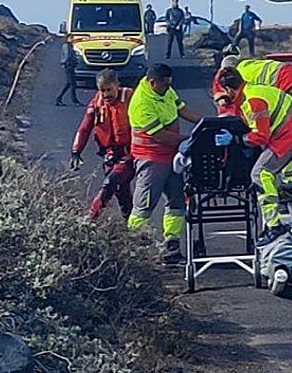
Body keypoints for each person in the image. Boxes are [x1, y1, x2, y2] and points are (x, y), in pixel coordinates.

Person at [215, 66, 292, 245]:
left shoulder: (253, 100)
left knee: (260, 173)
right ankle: (284, 199)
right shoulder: (252, 91)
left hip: (289, 136)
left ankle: (274, 225)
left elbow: (261, 135)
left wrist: (236, 140)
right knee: (263, 169)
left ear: (229, 89)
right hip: (291, 130)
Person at [127, 63, 202, 265]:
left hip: (172, 156)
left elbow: (182, 109)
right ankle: (133, 249)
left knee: (176, 201)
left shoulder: (166, 90)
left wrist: (205, 124)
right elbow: (161, 136)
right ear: (153, 83)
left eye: (170, 84)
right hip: (151, 159)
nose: (169, 88)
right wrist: (191, 139)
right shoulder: (142, 103)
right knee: (144, 205)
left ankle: (171, 246)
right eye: (165, 85)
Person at [214, 55, 292, 201]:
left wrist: (237, 139)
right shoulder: (249, 73)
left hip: (287, 94)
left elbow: (260, 133)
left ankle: (284, 197)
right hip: (291, 79)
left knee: (262, 170)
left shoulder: (250, 92)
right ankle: (290, 187)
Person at [70, 69, 134, 220]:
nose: (106, 95)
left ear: (117, 85)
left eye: (109, 90)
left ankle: (90, 218)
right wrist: (76, 151)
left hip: (130, 153)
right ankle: (132, 228)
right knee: (121, 193)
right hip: (109, 154)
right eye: (102, 90)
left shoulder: (130, 98)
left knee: (110, 183)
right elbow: (85, 127)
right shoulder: (97, 103)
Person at [55, 34, 81, 106]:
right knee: (72, 84)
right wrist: (67, 63)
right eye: (71, 38)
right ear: (67, 38)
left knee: (69, 84)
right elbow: (67, 56)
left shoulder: (70, 46)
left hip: (70, 65)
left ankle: (59, 98)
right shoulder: (66, 46)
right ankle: (74, 100)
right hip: (69, 65)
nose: (72, 39)